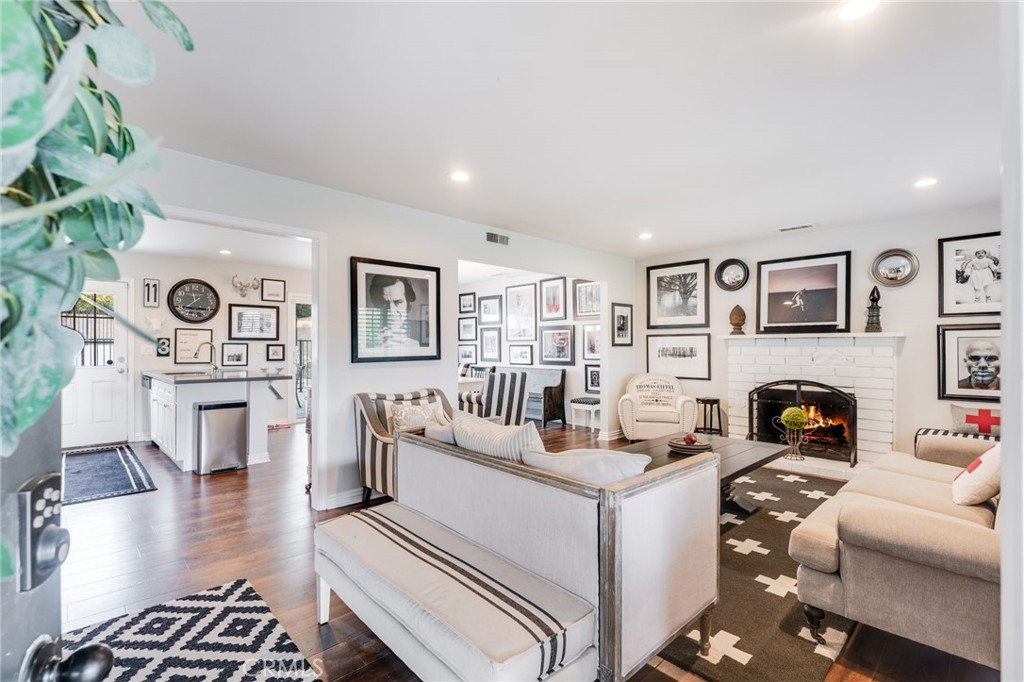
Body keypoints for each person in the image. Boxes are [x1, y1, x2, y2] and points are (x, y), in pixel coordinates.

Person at [367, 275, 421, 349]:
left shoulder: (414, 346)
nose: (391, 312)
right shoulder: (367, 344)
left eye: (398, 302)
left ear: (409, 304)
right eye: (384, 304)